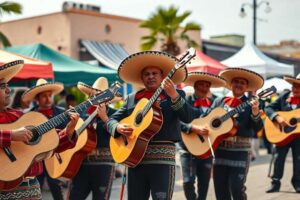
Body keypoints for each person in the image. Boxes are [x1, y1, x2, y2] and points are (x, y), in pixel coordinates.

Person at [98, 51, 197, 200]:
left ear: (163, 76)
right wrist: (117, 128)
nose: (150, 76)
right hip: (135, 160)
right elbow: (111, 120)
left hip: (163, 161)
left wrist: (174, 96)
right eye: (146, 74)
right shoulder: (132, 99)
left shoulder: (175, 94)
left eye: (154, 73)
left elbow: (188, 117)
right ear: (141, 78)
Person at [0, 61, 79, 199]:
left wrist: (69, 131)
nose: (8, 90)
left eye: (7, 85)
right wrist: (11, 135)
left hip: (32, 189)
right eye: (2, 86)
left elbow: (49, 143)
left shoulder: (20, 116)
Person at [206, 68, 264, 200]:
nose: (238, 84)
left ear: (247, 87)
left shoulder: (252, 104)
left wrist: (255, 112)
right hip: (219, 151)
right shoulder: (219, 101)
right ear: (231, 84)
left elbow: (257, 128)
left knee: (237, 189)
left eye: (242, 82)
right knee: (220, 191)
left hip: (240, 152)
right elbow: (206, 118)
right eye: (236, 81)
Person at [21, 78, 79, 200]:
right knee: (35, 191)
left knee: (57, 190)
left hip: (55, 158)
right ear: (37, 99)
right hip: (35, 160)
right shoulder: (28, 116)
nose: (48, 99)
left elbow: (68, 137)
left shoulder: (63, 113)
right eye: (44, 96)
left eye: (50, 95)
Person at [68, 77, 120, 200]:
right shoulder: (81, 115)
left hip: (104, 166)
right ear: (89, 96)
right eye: (94, 95)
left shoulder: (115, 114)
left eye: (101, 95)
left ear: (108, 98)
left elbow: (119, 135)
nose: (96, 98)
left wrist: (105, 118)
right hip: (81, 164)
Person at [178, 72, 226, 200]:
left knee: (204, 183)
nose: (204, 88)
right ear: (194, 86)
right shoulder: (185, 101)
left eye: (207, 85)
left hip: (206, 148)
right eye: (201, 85)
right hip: (187, 148)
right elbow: (176, 122)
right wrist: (192, 128)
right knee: (188, 181)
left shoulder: (215, 103)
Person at [265, 74, 300, 193]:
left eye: (299, 87)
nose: (296, 89)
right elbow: (268, 108)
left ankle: (297, 183)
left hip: (299, 137)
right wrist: (277, 117)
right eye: (294, 86)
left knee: (299, 159)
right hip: (282, 134)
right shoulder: (284, 96)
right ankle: (275, 183)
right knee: (278, 158)